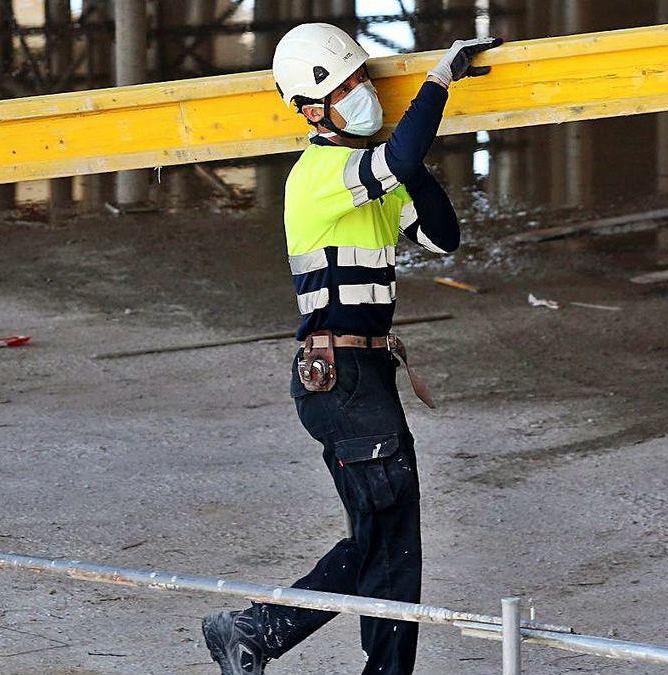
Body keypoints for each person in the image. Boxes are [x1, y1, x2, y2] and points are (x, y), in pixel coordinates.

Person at [202, 24, 502, 675]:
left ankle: (362, 663)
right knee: (383, 542)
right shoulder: (318, 176)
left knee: (396, 547)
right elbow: (392, 161)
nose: (364, 94)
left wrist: (411, 165)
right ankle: (256, 627)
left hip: (364, 376)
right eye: (347, 88)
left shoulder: (370, 181)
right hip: (340, 380)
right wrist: (438, 81)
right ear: (312, 110)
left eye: (363, 80)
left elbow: (444, 237)